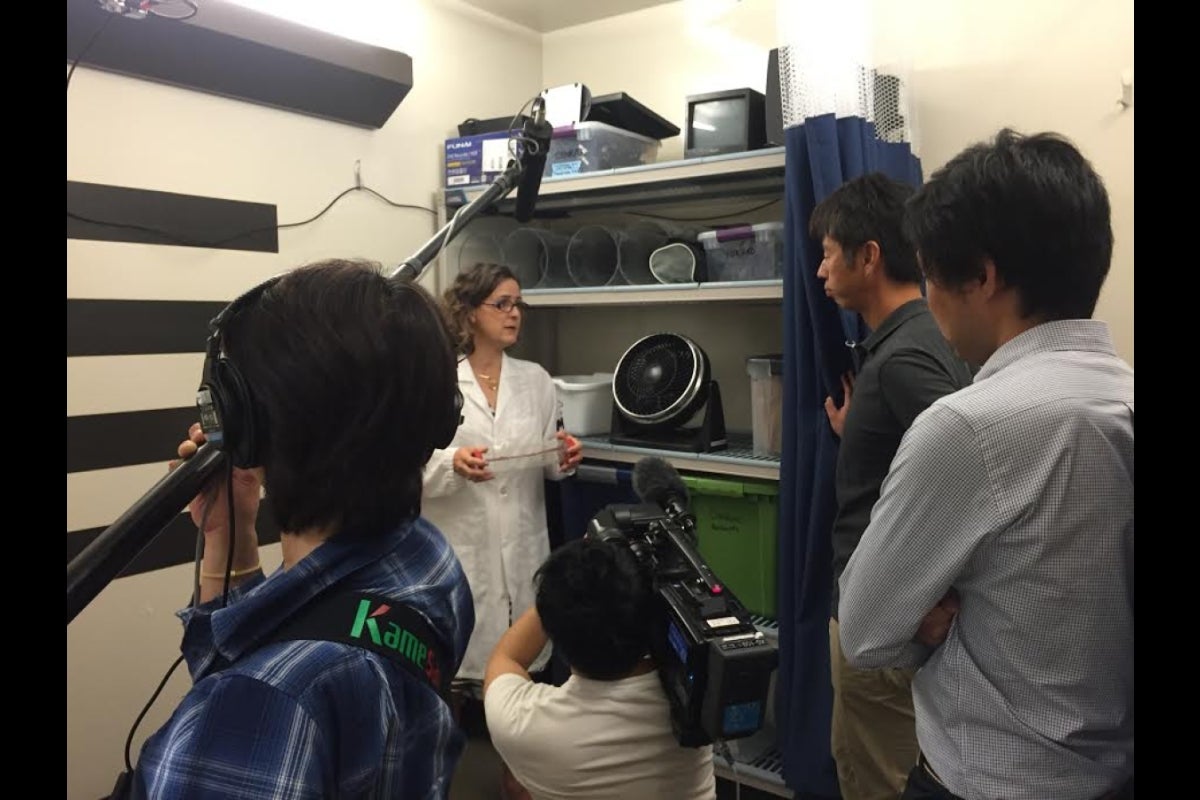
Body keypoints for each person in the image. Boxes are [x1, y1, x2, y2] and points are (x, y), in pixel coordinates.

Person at [838, 129, 1134, 800]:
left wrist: (931, 619)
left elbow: (863, 630)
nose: (930, 298)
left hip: (991, 777)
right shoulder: (1122, 399)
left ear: (983, 276)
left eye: (934, 273)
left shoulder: (969, 427)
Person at [129, 259, 475, 799]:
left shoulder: (263, 704)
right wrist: (231, 532)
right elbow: (282, 639)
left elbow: (266, 680)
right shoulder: (427, 563)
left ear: (251, 426)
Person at [811, 172, 974, 800]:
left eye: (829, 252)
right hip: (891, 617)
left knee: (875, 777)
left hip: (884, 626)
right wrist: (862, 432)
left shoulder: (905, 357)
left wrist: (923, 602)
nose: (822, 270)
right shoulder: (919, 338)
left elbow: (967, 467)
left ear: (869, 256)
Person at [422, 262, 583, 690]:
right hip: (462, 544)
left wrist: (564, 455)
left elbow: (550, 459)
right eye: (502, 304)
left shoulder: (536, 381)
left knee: (523, 673)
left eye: (518, 304)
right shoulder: (437, 381)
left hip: (524, 543)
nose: (514, 313)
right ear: (471, 311)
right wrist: (452, 463)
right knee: (454, 667)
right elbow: (407, 466)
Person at [482, 537, 717, 800]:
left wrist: (560, 591)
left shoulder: (523, 726)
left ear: (554, 633)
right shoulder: (697, 700)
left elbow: (507, 658)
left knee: (517, 786)